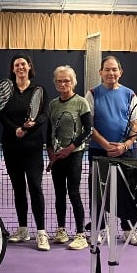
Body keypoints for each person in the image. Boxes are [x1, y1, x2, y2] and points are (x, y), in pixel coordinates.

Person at [85, 55, 137, 246]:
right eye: (107, 69)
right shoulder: (92, 94)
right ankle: (98, 230)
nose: (111, 73)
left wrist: (125, 145)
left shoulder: (130, 94)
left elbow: (136, 124)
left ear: (120, 72)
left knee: (130, 191)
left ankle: (129, 230)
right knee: (98, 192)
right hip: (99, 152)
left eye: (114, 69)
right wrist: (106, 145)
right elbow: (89, 126)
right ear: (100, 72)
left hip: (127, 151)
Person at [0, 53, 50, 250]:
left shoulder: (39, 90)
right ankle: (22, 229)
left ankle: (41, 233)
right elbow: (2, 115)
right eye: (16, 65)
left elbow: (44, 114)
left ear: (29, 67)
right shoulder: (7, 92)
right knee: (18, 188)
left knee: (35, 187)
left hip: (33, 148)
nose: (20, 67)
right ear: (12, 69)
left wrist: (32, 125)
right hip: (11, 147)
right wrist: (15, 130)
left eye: (23, 64)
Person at [46, 65, 93, 251]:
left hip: (74, 155)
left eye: (66, 81)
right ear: (55, 83)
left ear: (73, 82)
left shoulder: (81, 103)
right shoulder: (53, 104)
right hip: (57, 156)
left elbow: (88, 130)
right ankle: (61, 230)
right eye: (59, 81)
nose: (63, 84)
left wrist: (70, 148)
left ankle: (80, 234)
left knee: (73, 192)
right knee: (59, 193)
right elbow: (49, 130)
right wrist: (50, 150)